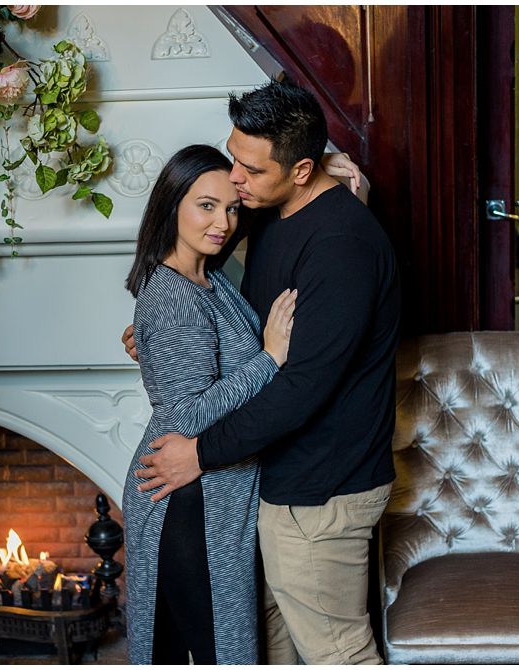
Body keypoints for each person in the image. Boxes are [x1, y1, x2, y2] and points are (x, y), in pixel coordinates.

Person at [128, 79, 401, 664]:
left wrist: (199, 453)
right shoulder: (269, 211)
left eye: (250, 169)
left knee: (337, 654)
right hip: (277, 486)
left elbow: (302, 385)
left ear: (299, 171)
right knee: (271, 651)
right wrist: (156, 337)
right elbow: (206, 300)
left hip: (321, 491)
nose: (236, 180)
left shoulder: (340, 244)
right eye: (234, 159)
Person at [121, 144, 298, 664]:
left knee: (198, 650)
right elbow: (191, 414)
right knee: (212, 652)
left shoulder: (210, 277)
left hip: (206, 492)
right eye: (206, 205)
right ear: (171, 204)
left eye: (232, 207)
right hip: (184, 500)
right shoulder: (172, 292)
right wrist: (270, 357)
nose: (222, 221)